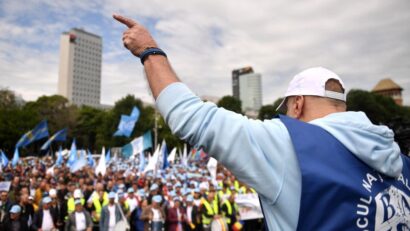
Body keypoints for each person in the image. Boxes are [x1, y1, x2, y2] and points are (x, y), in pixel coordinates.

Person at [113, 14, 410, 230]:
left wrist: (150, 51)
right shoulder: (402, 162)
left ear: (298, 104)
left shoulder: (291, 146)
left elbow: (191, 118)